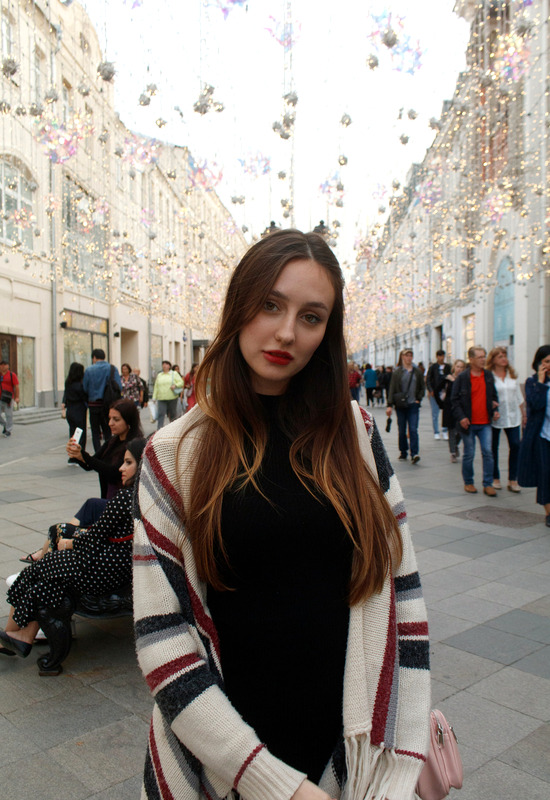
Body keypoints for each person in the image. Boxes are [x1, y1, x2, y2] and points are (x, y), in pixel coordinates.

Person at [133, 229, 430, 800]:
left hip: (347, 752)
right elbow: (162, 640)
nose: (288, 332)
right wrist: (277, 786)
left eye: (311, 316)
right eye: (271, 305)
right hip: (219, 760)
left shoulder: (356, 435)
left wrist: (399, 755)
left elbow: (404, 594)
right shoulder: (173, 454)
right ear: (239, 306)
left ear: (327, 332)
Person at [0, 437, 147, 658]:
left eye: (128, 463)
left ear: (141, 465)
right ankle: (21, 637)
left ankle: (15, 635)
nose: (121, 468)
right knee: (44, 579)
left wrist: (70, 543)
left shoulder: (126, 498)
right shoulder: (141, 495)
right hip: (117, 565)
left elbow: (95, 536)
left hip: (105, 569)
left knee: (38, 570)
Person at [67, 398, 143, 499]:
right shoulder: (112, 441)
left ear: (128, 421)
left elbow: (114, 472)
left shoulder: (136, 445)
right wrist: (77, 454)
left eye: (116, 419)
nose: (110, 423)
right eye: (110, 418)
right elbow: (90, 464)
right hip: (107, 496)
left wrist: (83, 456)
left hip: (123, 499)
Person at [451, 345, 500, 496]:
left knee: (488, 452)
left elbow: (494, 396)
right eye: (480, 357)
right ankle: (469, 482)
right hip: (469, 423)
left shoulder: (488, 376)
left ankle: (488, 484)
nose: (483, 359)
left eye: (484, 356)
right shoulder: (463, 378)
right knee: (469, 453)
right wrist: (462, 417)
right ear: (471, 359)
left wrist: (495, 409)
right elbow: (454, 400)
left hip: (485, 422)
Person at [518, 345, 550, 525]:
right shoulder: (532, 383)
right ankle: (549, 512)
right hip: (543, 436)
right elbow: (536, 404)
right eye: (547, 361)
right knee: (545, 474)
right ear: (539, 363)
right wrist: (541, 382)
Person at [487, 346, 525, 492]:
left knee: (515, 445)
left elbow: (518, 396)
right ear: (493, 360)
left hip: (513, 416)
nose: (504, 359)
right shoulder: (489, 376)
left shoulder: (512, 375)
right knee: (493, 448)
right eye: (500, 356)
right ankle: (495, 477)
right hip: (496, 417)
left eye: (505, 356)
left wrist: (524, 414)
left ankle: (513, 479)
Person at [386, 348, 425, 463]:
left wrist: (418, 399)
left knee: (413, 429)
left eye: (410, 355)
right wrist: (389, 405)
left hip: (413, 404)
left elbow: (422, 387)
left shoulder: (417, 371)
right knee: (402, 429)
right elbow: (392, 388)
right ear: (402, 357)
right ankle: (403, 451)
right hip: (400, 405)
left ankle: (414, 453)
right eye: (406, 355)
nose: (409, 358)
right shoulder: (397, 372)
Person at [83, 349, 122, 452]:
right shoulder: (112, 369)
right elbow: (119, 387)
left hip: (93, 405)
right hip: (108, 405)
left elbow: (85, 388)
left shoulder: (89, 370)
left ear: (94, 358)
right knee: (108, 430)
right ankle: (108, 452)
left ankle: (98, 453)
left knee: (95, 432)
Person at [441, 359, 466, 463]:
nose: (459, 369)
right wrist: (441, 403)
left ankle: (455, 445)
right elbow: (438, 388)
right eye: (458, 366)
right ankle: (452, 453)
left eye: (461, 367)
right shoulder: (448, 378)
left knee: (461, 430)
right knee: (451, 430)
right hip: (449, 408)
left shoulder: (465, 379)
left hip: (461, 408)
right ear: (454, 367)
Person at [62, 362, 87, 457]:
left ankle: (72, 454)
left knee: (73, 433)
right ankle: (79, 454)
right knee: (80, 433)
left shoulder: (68, 383)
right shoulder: (79, 385)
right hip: (79, 410)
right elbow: (84, 397)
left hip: (70, 410)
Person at [426, 350, 451, 440]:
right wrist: (430, 390)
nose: (441, 358)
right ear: (437, 357)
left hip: (445, 392)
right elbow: (428, 379)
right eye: (440, 356)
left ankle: (444, 430)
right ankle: (436, 432)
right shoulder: (433, 367)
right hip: (435, 392)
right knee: (435, 413)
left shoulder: (448, 367)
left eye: (443, 356)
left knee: (446, 413)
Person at [152, 360, 184, 429]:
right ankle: (159, 429)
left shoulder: (174, 373)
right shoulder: (159, 375)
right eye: (163, 364)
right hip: (161, 398)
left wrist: (175, 385)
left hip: (172, 398)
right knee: (161, 414)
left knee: (172, 414)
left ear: (169, 366)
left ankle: (173, 429)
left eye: (166, 364)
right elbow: (156, 386)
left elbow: (181, 382)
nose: (164, 365)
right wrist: (154, 397)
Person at [0, 360, 19, 437]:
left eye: (5, 364)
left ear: (8, 366)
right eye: (1, 365)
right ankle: (5, 424)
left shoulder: (12, 375)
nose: (3, 366)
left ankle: (8, 430)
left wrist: (17, 397)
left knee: (9, 415)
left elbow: (16, 386)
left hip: (8, 398)